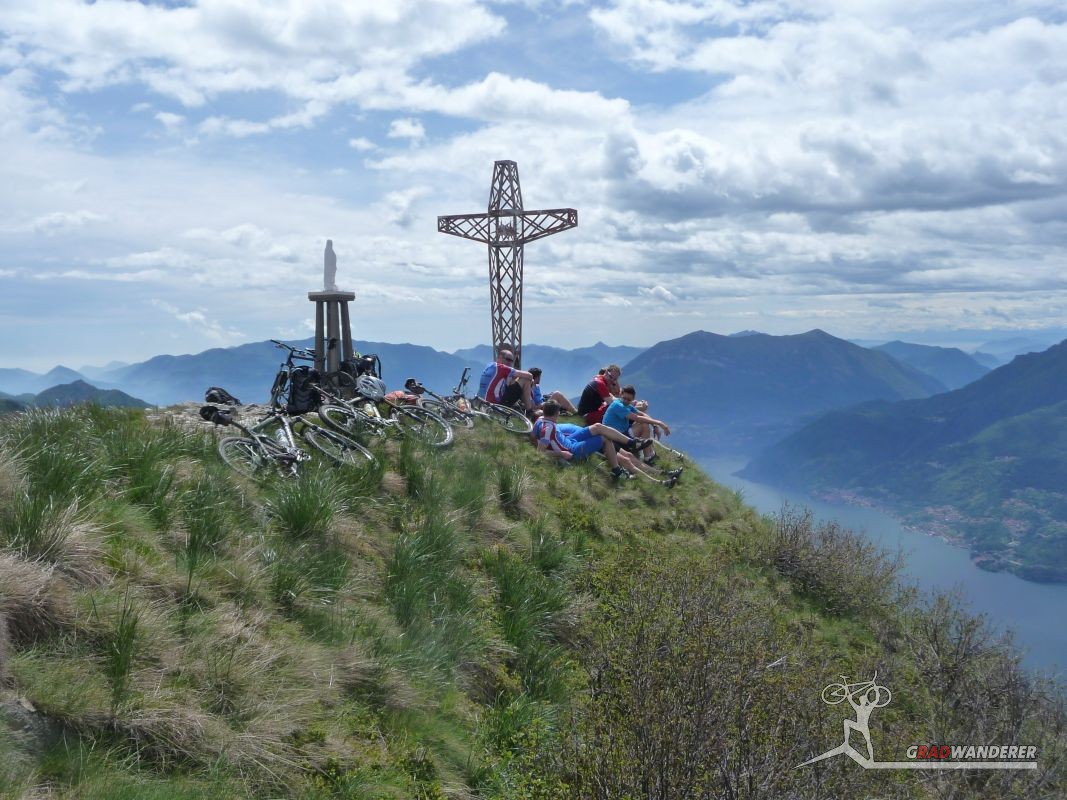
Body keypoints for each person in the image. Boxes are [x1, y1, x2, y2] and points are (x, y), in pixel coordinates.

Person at [535, 401, 669, 483]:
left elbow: (533, 435)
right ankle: (617, 471)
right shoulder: (548, 428)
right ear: (557, 413)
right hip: (572, 450)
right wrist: (561, 454)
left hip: (570, 440)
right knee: (605, 438)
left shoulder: (541, 420)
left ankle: (631, 443)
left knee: (598, 426)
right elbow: (540, 452)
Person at [603, 385, 672, 464]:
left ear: (632, 399)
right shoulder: (617, 405)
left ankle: (648, 457)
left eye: (629, 400)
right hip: (614, 440)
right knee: (643, 424)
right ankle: (648, 458)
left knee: (644, 423)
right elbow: (637, 418)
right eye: (624, 398)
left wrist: (655, 426)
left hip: (621, 434)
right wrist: (660, 423)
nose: (626, 401)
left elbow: (642, 414)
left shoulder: (627, 405)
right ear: (621, 395)